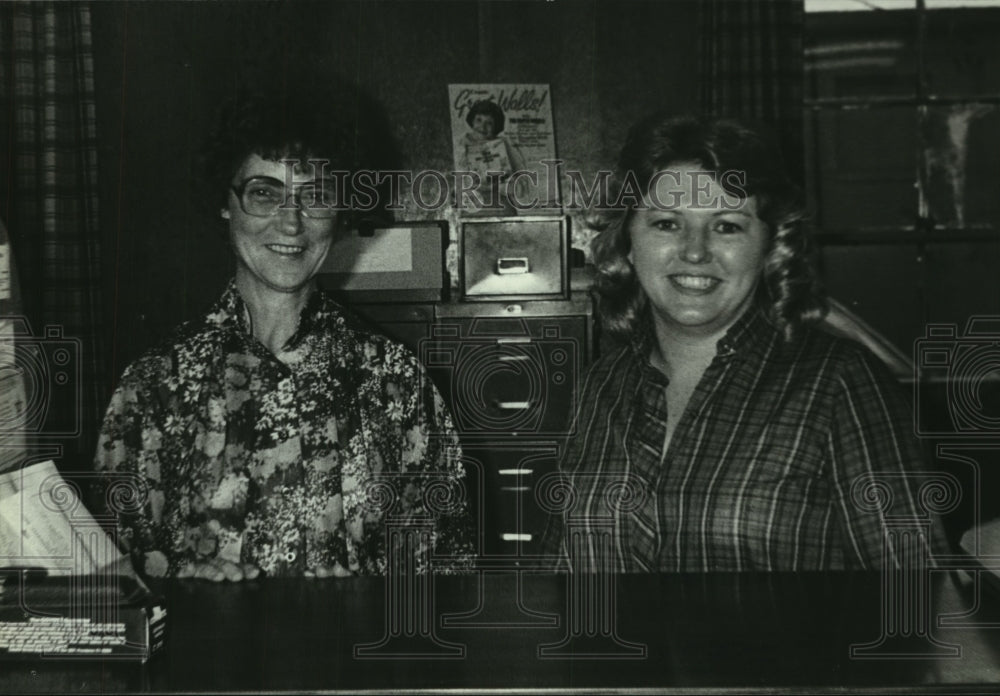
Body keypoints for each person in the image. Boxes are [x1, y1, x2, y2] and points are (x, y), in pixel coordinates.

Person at [94, 85, 474, 581]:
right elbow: (108, 580)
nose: (291, 222)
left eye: (315, 196)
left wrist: (371, 597)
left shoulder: (394, 380)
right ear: (225, 203)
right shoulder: (154, 385)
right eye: (264, 193)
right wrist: (183, 582)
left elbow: (448, 572)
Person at [541, 114, 943, 572]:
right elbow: (558, 582)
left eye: (727, 226)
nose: (695, 251)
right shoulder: (598, 390)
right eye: (667, 224)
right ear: (629, 241)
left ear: (770, 245)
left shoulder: (841, 386)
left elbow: (921, 597)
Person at [456, 100, 530, 215]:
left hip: (501, 206)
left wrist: (508, 182)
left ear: (496, 126)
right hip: (474, 207)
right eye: (479, 120)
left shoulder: (506, 145)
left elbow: (522, 184)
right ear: (472, 120)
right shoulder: (460, 146)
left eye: (489, 123)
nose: (482, 127)